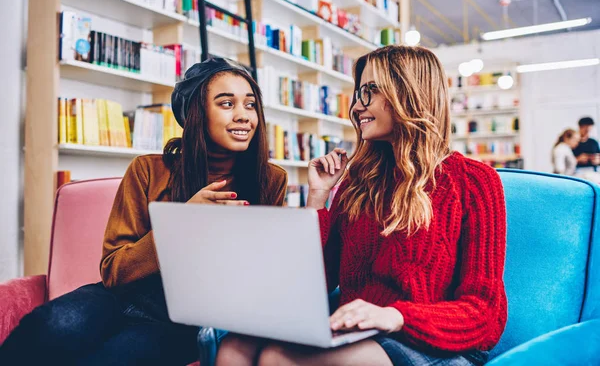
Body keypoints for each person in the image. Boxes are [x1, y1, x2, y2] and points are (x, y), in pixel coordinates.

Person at [216, 45, 507, 366]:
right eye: (358, 93)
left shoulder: (474, 181)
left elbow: (485, 314)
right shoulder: (358, 181)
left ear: (408, 93)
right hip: (358, 332)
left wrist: (395, 316)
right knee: (233, 349)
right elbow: (313, 283)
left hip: (429, 342)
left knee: (279, 359)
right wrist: (318, 198)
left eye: (370, 91)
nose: (356, 106)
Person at [0, 57, 288, 365]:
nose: (244, 116)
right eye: (227, 104)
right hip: (121, 296)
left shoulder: (270, 181)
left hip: (180, 319)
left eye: (250, 105)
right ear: (196, 114)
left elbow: (260, 278)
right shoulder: (148, 170)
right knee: (52, 325)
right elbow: (114, 271)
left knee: (110, 359)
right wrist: (181, 224)